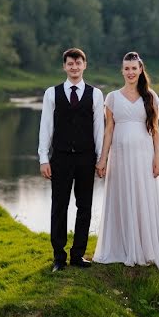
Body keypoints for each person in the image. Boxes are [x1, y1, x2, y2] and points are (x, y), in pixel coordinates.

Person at [93, 51, 159, 270]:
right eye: (126, 68)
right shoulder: (112, 98)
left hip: (144, 156)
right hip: (120, 156)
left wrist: (158, 158)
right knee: (122, 195)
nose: (130, 72)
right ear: (122, 71)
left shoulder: (150, 97)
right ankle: (121, 246)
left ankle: (145, 249)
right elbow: (108, 130)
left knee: (143, 196)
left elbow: (155, 130)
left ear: (140, 69)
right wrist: (103, 159)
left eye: (134, 68)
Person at [38, 47, 104, 272]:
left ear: (84, 65)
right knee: (59, 206)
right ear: (64, 66)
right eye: (70, 64)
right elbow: (46, 127)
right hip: (61, 158)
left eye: (78, 63)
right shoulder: (51, 93)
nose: (74, 67)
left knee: (84, 206)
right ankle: (59, 257)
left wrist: (101, 159)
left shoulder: (95, 94)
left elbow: (99, 130)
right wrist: (43, 158)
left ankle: (78, 255)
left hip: (86, 158)